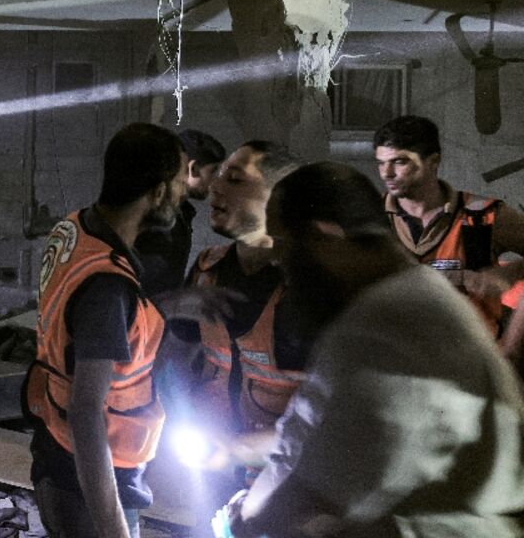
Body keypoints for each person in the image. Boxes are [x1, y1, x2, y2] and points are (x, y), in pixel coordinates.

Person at [219, 162, 524, 538]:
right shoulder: (409, 297)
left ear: (325, 237)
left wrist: (249, 519)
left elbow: (306, 489)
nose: (282, 268)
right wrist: (238, 449)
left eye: (286, 250)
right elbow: (317, 426)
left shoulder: (386, 321)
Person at [23, 122, 187, 538]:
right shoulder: (109, 287)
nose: (184, 194)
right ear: (159, 192)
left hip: (58, 454)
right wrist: (113, 528)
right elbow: (86, 413)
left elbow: (91, 321)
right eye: (181, 183)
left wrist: (172, 306)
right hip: (89, 485)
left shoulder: (75, 228)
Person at [159, 141, 301, 534]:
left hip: (288, 482)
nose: (216, 188)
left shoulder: (312, 287)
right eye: (218, 176)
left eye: (235, 180)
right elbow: (175, 359)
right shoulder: (207, 270)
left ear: (280, 198)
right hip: (212, 470)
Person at [373, 115, 524, 331]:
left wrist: (506, 274)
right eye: (381, 163)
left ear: (433, 161)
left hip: (468, 357)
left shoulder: (483, 215)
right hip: (395, 356)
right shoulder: (370, 215)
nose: (386, 173)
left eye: (400, 161)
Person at [135, 129, 225, 300]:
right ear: (193, 168)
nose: (216, 181)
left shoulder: (181, 213)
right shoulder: (154, 214)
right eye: (213, 171)